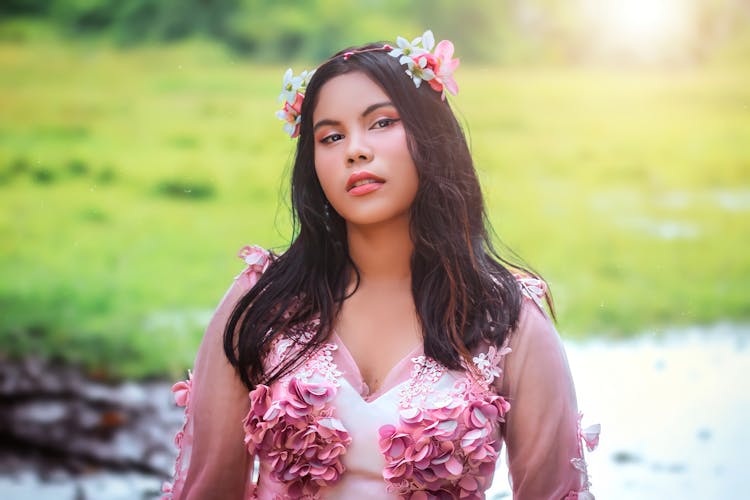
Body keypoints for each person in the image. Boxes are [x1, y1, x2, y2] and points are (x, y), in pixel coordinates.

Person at [163, 30, 599, 500]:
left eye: (381, 123)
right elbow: (204, 491)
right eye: (331, 136)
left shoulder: (507, 322)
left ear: (431, 137)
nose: (354, 149)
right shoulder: (262, 305)